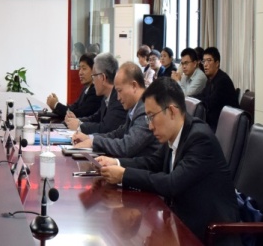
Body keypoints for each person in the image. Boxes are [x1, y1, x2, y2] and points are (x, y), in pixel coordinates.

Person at [97, 77, 240, 243]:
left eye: (151, 117)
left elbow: (172, 184)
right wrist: (116, 163)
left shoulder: (200, 139)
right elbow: (152, 163)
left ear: (172, 111)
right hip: (181, 223)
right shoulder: (175, 134)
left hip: (209, 234)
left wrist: (124, 175)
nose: (150, 126)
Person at [72, 62, 157, 158]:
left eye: (120, 91)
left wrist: (94, 142)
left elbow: (126, 146)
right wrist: (90, 138)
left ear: (134, 86)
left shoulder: (146, 109)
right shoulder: (134, 107)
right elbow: (118, 134)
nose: (118, 98)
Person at [65, 53, 126, 134]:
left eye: (94, 76)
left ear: (103, 78)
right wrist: (76, 120)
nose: (93, 82)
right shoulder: (106, 97)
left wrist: (80, 126)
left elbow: (106, 128)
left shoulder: (118, 99)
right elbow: (95, 118)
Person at [47, 53, 102, 119]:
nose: (80, 73)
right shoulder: (86, 88)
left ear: (94, 70)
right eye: (79, 68)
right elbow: (72, 108)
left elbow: (78, 114)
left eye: (84, 69)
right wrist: (55, 106)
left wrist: (56, 105)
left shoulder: (96, 91)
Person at [199, 47, 239, 131]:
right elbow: (202, 95)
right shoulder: (210, 79)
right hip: (217, 121)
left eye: (209, 60)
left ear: (217, 63)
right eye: (204, 61)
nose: (205, 64)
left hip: (227, 126)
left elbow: (210, 103)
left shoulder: (222, 80)